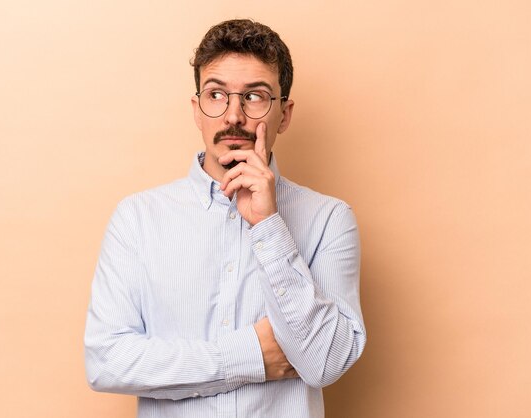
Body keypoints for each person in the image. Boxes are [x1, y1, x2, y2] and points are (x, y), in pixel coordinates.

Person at [84, 19, 366, 418]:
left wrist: (269, 226)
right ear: (197, 109)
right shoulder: (137, 219)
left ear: (283, 115)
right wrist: (248, 356)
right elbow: (106, 361)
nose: (233, 116)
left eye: (254, 97)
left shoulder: (329, 220)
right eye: (216, 94)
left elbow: (325, 362)